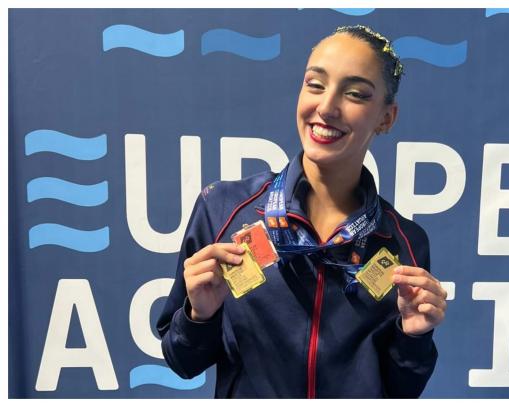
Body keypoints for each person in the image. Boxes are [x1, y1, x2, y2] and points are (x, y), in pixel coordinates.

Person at [157, 25, 448, 398]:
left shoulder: (403, 243)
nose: (327, 107)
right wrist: (200, 316)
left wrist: (414, 337)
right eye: (315, 84)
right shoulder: (224, 209)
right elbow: (183, 362)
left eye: (356, 93)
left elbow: (400, 389)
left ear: (386, 118)